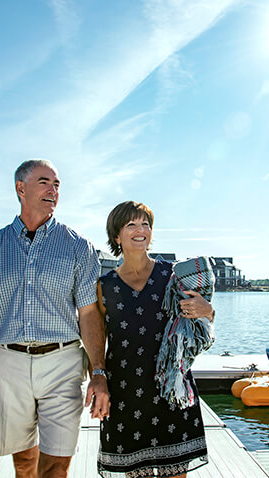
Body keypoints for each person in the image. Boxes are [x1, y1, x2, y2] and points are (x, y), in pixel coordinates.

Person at [0, 159, 110, 478]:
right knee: (24, 461)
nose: (53, 190)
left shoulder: (79, 247)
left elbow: (90, 314)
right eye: (45, 182)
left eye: (57, 184)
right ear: (21, 188)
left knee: (57, 463)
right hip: (8, 363)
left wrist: (98, 371)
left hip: (63, 361)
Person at [96, 201, 214, 478]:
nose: (141, 230)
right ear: (117, 236)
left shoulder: (174, 276)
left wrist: (208, 311)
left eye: (146, 224)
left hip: (171, 389)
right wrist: (97, 378)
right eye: (131, 225)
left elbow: (202, 323)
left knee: (176, 474)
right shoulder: (104, 286)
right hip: (125, 392)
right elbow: (96, 337)